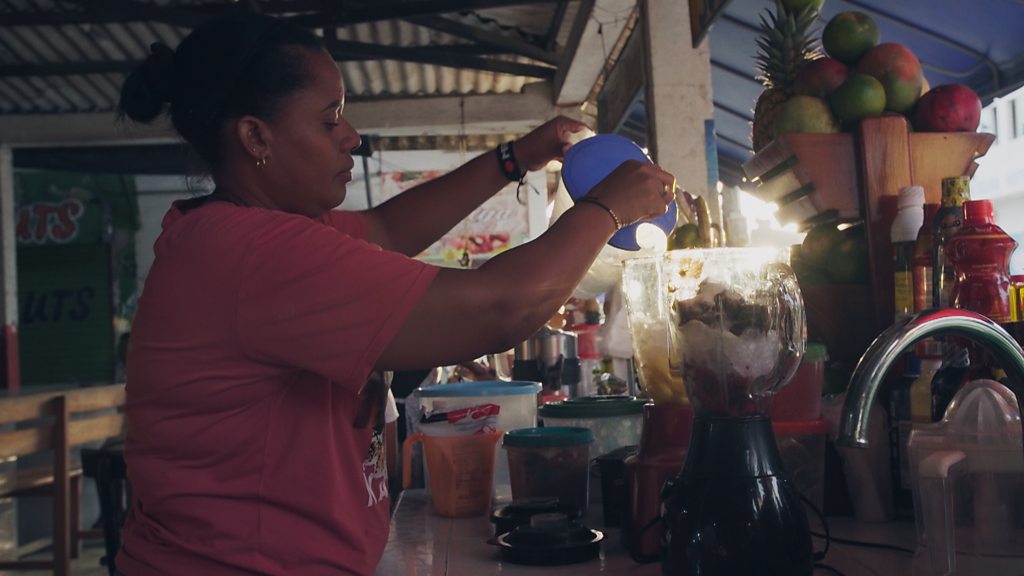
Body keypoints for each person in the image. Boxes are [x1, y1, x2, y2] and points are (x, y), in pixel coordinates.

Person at [116, 11, 675, 576]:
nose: (352, 139)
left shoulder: (252, 229)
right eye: (330, 119)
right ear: (256, 136)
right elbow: (500, 307)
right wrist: (607, 209)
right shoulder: (250, 253)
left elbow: (387, 231)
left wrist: (516, 159)